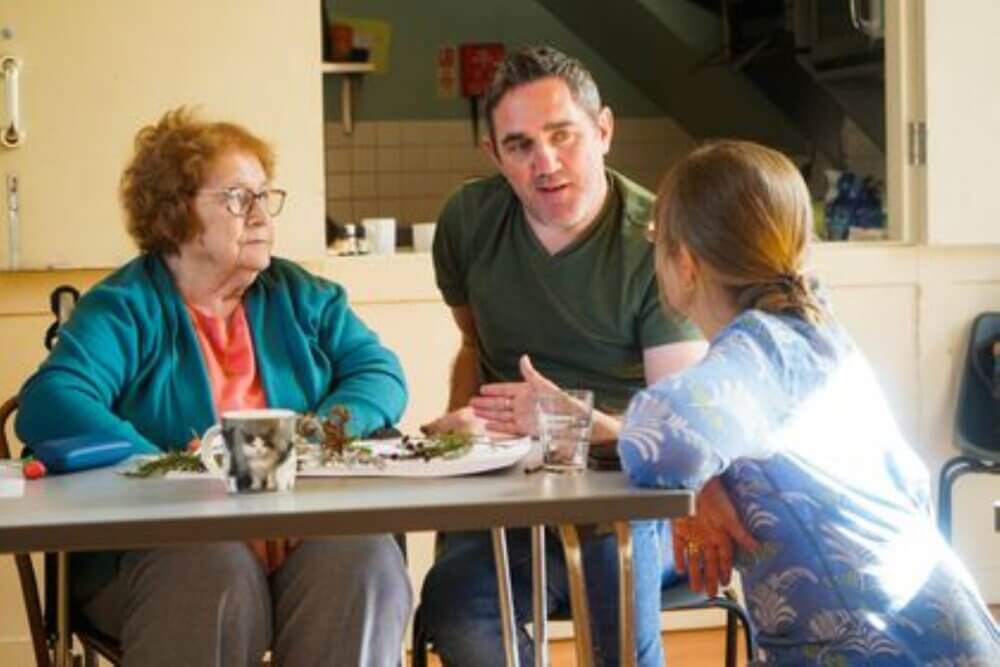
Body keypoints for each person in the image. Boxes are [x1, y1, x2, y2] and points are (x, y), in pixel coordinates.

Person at [15, 108, 412, 667]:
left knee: (363, 556)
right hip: (159, 548)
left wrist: (311, 440)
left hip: (303, 533)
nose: (259, 215)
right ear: (174, 215)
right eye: (236, 197)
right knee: (212, 563)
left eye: (264, 196)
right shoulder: (126, 307)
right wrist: (184, 483)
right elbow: (52, 401)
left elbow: (380, 374)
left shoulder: (303, 295)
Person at [619, 139, 1000, 665]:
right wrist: (705, 482)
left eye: (655, 239)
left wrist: (697, 480)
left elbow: (656, 439)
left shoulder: (761, 352)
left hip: (876, 648)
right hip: (930, 631)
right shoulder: (808, 330)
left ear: (685, 263)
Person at [418, 45, 708, 666]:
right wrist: (458, 431)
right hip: (503, 492)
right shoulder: (468, 221)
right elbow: (472, 345)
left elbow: (678, 442)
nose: (545, 163)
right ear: (494, 156)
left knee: (614, 600)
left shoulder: (660, 240)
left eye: (563, 136)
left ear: (602, 131)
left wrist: (568, 421)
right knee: (457, 605)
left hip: (626, 497)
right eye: (520, 145)